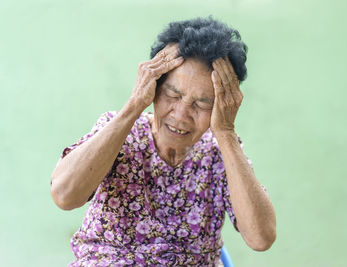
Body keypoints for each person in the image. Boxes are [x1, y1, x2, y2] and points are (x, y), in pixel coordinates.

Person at [50, 16, 276, 266]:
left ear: (222, 106)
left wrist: (225, 132)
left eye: (202, 104)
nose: (180, 115)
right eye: (172, 94)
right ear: (153, 87)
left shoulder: (219, 152)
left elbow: (261, 238)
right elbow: (64, 195)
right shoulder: (121, 131)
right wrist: (134, 105)